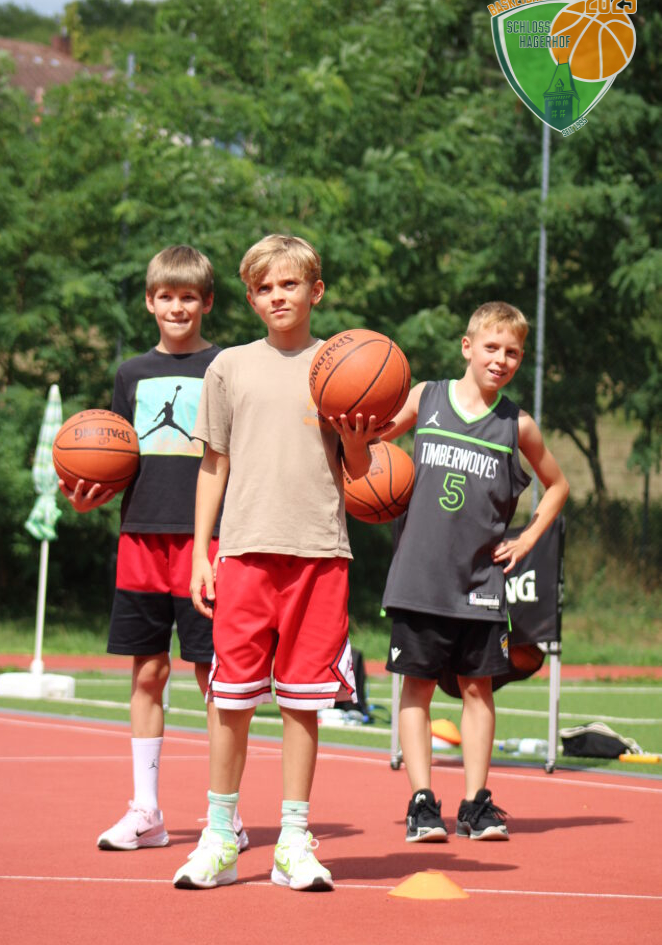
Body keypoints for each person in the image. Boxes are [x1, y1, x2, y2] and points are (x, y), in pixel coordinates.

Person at [172, 233, 383, 891]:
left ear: (315, 291)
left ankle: (293, 840)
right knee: (230, 700)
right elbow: (213, 464)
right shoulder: (229, 366)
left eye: (289, 284)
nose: (277, 296)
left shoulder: (345, 364)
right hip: (243, 553)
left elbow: (359, 474)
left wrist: (356, 442)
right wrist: (202, 550)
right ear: (249, 299)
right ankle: (219, 836)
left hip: (320, 552)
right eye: (264, 288)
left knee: (301, 703)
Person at [59, 245, 247, 853]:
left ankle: (225, 814)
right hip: (140, 538)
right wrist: (87, 496)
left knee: (213, 675)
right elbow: (114, 458)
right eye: (166, 296)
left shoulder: (226, 367)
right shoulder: (130, 373)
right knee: (147, 672)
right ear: (149, 301)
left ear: (207, 302)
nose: (177, 307)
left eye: (188, 296)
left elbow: (234, 456)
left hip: (206, 541)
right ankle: (147, 810)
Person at [382, 301, 569, 842]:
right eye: (491, 347)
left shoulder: (518, 424)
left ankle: (475, 804)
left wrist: (527, 539)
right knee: (415, 688)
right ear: (468, 347)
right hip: (418, 577)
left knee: (477, 690)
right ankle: (422, 803)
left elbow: (557, 485)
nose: (501, 359)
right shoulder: (427, 397)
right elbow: (373, 444)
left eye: (512, 352)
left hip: (480, 583)